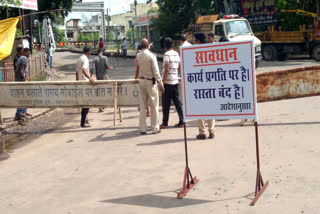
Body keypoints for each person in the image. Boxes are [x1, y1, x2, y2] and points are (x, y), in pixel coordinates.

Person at [136, 38, 164, 134]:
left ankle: (142, 128)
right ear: (148, 46)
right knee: (154, 105)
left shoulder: (138, 55)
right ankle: (155, 127)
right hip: (150, 82)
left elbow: (142, 52)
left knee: (143, 105)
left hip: (142, 81)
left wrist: (148, 46)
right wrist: (161, 83)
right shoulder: (152, 56)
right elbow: (156, 72)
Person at [194, 32, 215, 140]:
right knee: (210, 107)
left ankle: (202, 132)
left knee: (200, 108)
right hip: (210, 82)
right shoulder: (210, 49)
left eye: (195, 40)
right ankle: (211, 131)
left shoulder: (195, 51)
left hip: (199, 83)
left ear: (198, 41)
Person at [160, 37, 184, 129]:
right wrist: (175, 74)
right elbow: (179, 67)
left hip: (168, 82)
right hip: (175, 81)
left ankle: (165, 123)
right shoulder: (176, 54)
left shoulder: (166, 54)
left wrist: (163, 82)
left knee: (166, 104)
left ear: (165, 45)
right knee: (177, 103)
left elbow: (166, 69)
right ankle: (182, 121)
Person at [76, 46, 95, 128]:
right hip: (85, 82)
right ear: (88, 52)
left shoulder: (79, 59)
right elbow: (84, 70)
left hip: (80, 82)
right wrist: (90, 78)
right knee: (86, 102)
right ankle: (83, 122)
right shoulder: (85, 59)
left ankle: (85, 120)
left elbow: (76, 72)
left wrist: (76, 82)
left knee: (84, 102)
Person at [93, 48, 113, 112]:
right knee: (107, 88)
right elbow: (107, 66)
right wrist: (110, 68)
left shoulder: (94, 59)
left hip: (98, 76)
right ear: (102, 52)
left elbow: (92, 69)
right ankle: (105, 103)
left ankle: (100, 106)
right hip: (104, 75)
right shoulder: (105, 58)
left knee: (99, 91)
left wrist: (91, 76)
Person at [14, 48, 31, 121]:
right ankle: (22, 113)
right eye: (29, 53)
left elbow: (16, 70)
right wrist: (25, 80)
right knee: (25, 97)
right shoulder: (24, 59)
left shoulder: (19, 58)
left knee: (20, 98)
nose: (29, 54)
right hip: (21, 81)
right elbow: (21, 70)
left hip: (18, 80)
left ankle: (17, 114)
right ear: (25, 52)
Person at [135, 45, 150, 117]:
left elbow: (138, 68)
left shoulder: (139, 56)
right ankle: (148, 111)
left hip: (142, 78)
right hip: (148, 78)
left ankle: (147, 111)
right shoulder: (147, 55)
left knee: (144, 96)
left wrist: (135, 77)